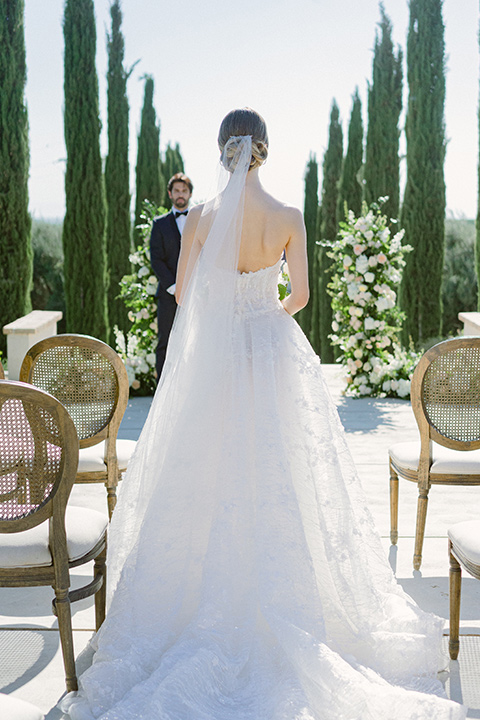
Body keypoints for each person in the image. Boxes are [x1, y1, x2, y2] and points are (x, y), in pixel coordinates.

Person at [62, 109, 465, 719]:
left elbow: (187, 295)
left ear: (224, 150)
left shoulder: (199, 217)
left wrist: (224, 312)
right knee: (285, 471)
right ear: (263, 150)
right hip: (272, 351)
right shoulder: (289, 216)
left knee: (207, 468)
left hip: (216, 358)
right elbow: (299, 297)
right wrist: (263, 312)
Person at [150, 172, 193, 379]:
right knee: (165, 343)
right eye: (176, 190)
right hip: (168, 296)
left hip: (195, 295)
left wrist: (192, 286)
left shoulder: (199, 221)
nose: (180, 194)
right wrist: (174, 287)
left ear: (190, 194)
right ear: (170, 193)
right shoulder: (159, 224)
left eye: (184, 190)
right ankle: (161, 393)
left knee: (194, 342)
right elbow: (156, 259)